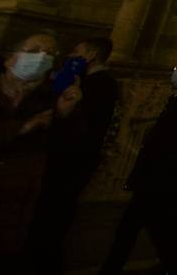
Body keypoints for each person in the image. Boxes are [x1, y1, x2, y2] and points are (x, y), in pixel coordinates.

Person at [0, 32, 84, 274]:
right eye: (34, 51)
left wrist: (65, 115)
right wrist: (21, 128)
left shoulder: (51, 102)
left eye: (51, 54)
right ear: (10, 59)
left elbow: (65, 156)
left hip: (17, 217)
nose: (43, 57)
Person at [99, 53, 177, 275]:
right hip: (158, 174)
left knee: (138, 224)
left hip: (159, 174)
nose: (176, 70)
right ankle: (175, 262)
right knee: (157, 223)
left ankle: (115, 267)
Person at [30, 36, 119, 273]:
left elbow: (86, 123)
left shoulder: (101, 83)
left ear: (91, 55)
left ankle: (46, 258)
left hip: (75, 155)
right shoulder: (87, 80)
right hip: (70, 153)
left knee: (56, 208)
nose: (71, 56)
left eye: (76, 51)